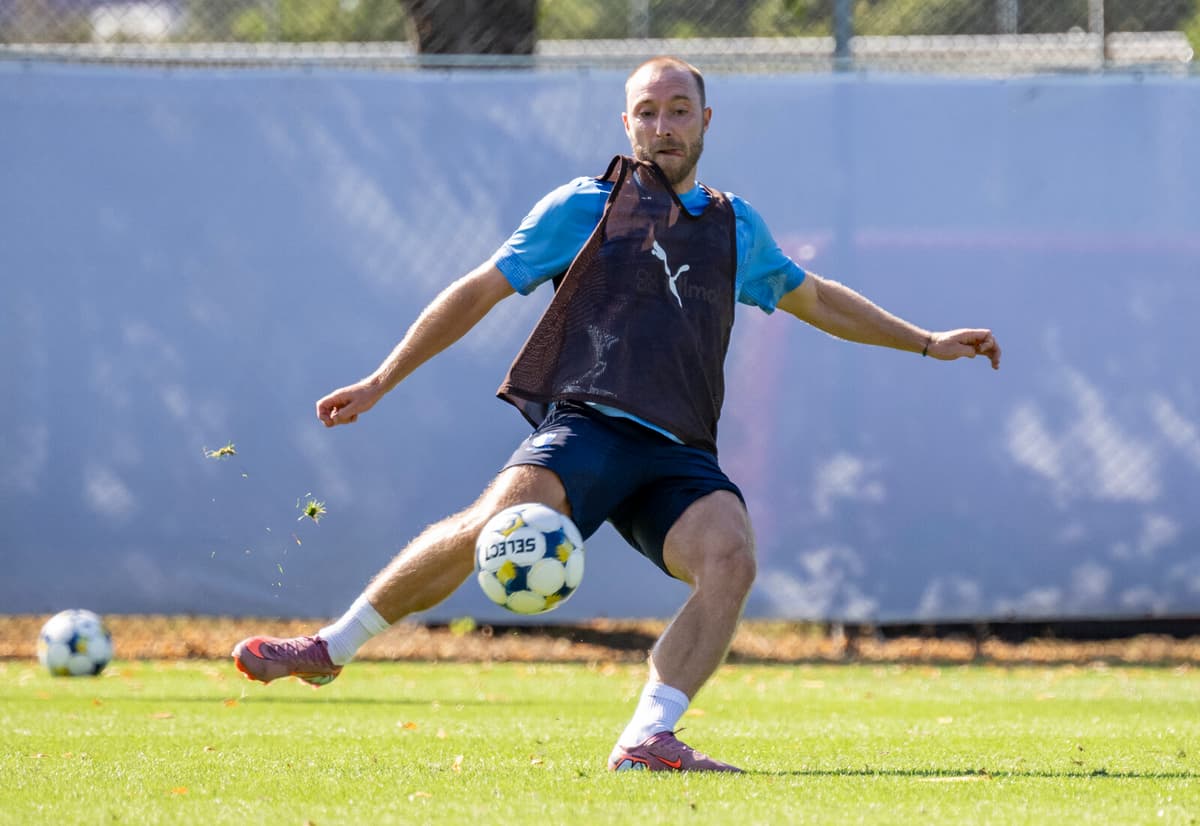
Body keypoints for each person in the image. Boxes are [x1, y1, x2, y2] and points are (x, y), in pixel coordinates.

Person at [233, 56, 1001, 773]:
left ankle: (647, 736)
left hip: (677, 452)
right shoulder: (585, 207)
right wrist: (382, 378)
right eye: (647, 113)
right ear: (626, 125)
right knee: (489, 528)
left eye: (678, 111)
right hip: (589, 427)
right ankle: (329, 647)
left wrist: (928, 342)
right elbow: (479, 290)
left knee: (730, 559)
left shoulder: (735, 227)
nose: (663, 127)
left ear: (706, 120)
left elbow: (818, 297)